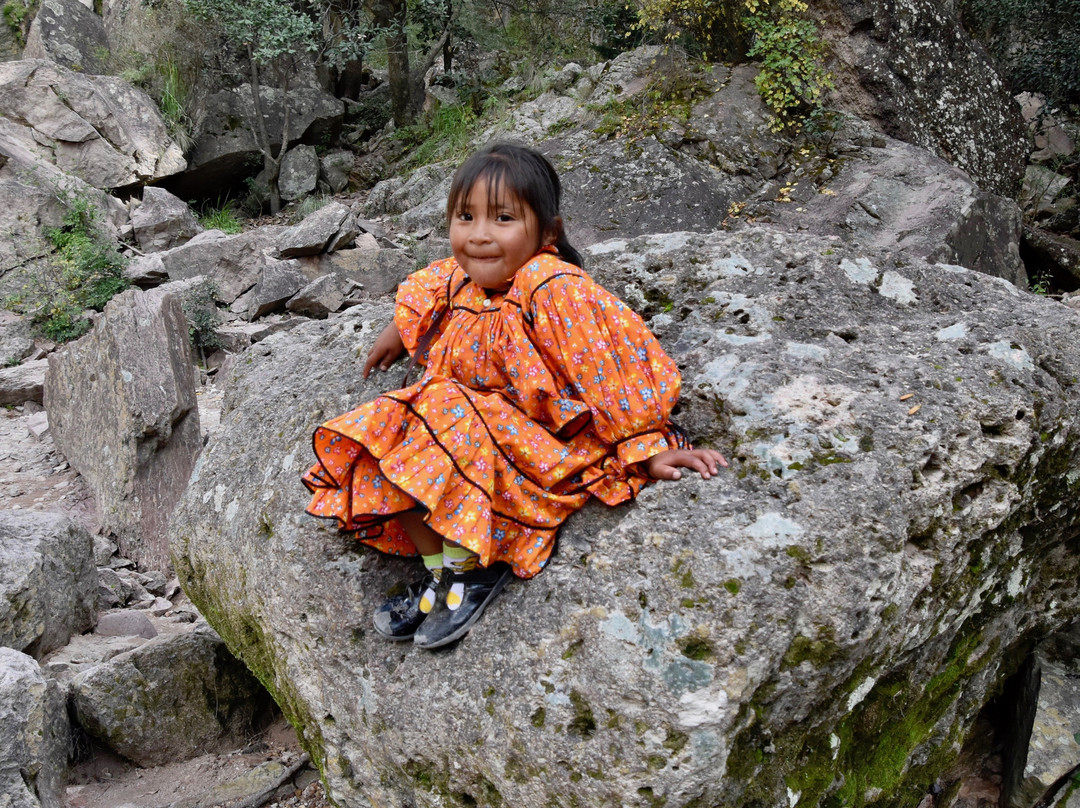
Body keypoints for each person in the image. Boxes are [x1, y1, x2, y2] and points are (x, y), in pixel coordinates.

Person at [301, 143, 726, 650]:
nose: (479, 235)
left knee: (434, 406)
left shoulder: (552, 286)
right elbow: (435, 284)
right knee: (380, 438)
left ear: (548, 232)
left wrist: (648, 446)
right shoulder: (462, 281)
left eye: (502, 218)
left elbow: (610, 369)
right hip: (473, 437)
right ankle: (440, 573)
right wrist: (401, 326)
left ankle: (472, 570)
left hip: (539, 448)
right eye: (465, 216)